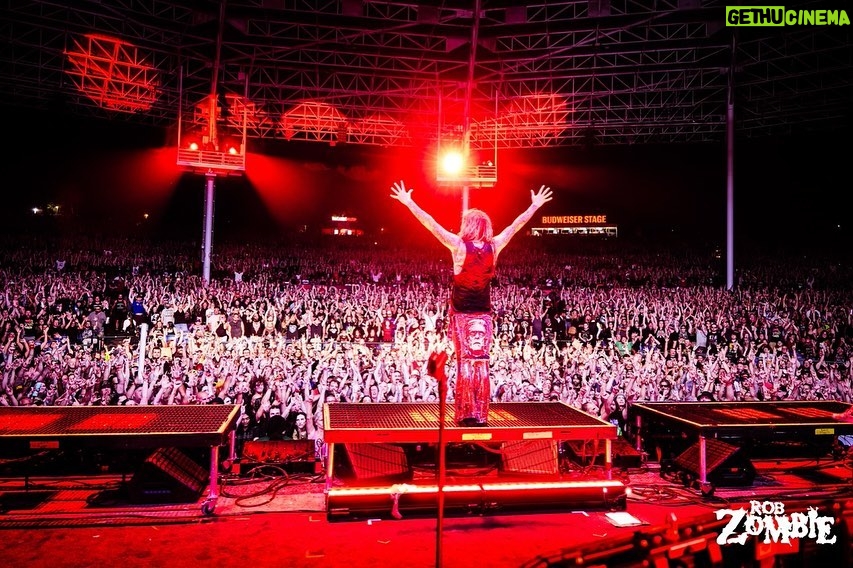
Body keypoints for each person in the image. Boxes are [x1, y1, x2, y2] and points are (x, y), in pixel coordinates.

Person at [391, 180, 552, 425]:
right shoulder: (495, 246)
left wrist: (409, 202)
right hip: (483, 315)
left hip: (462, 314)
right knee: (481, 362)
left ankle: (465, 414)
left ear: (468, 225)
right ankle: (481, 414)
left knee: (465, 362)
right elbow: (515, 226)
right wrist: (533, 207)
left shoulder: (458, 246)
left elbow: (431, 224)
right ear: (486, 226)